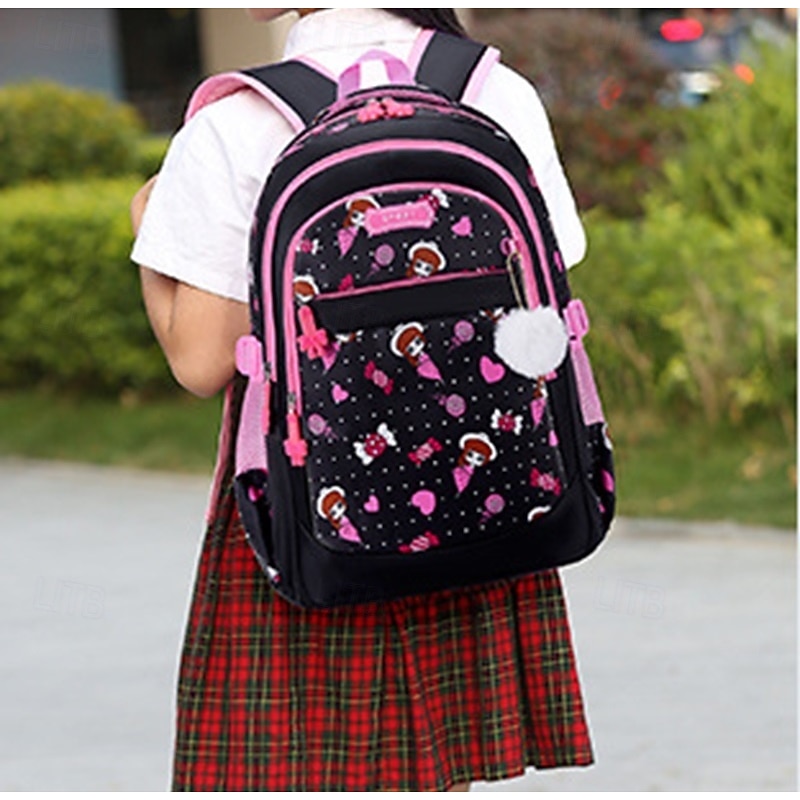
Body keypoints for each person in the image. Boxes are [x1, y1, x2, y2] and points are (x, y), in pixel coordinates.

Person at [131, 8, 593, 793]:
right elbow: (551, 278)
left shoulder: (236, 124)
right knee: (444, 771)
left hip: (314, 506)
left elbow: (200, 362)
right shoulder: (493, 91)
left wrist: (146, 229)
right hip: (486, 498)